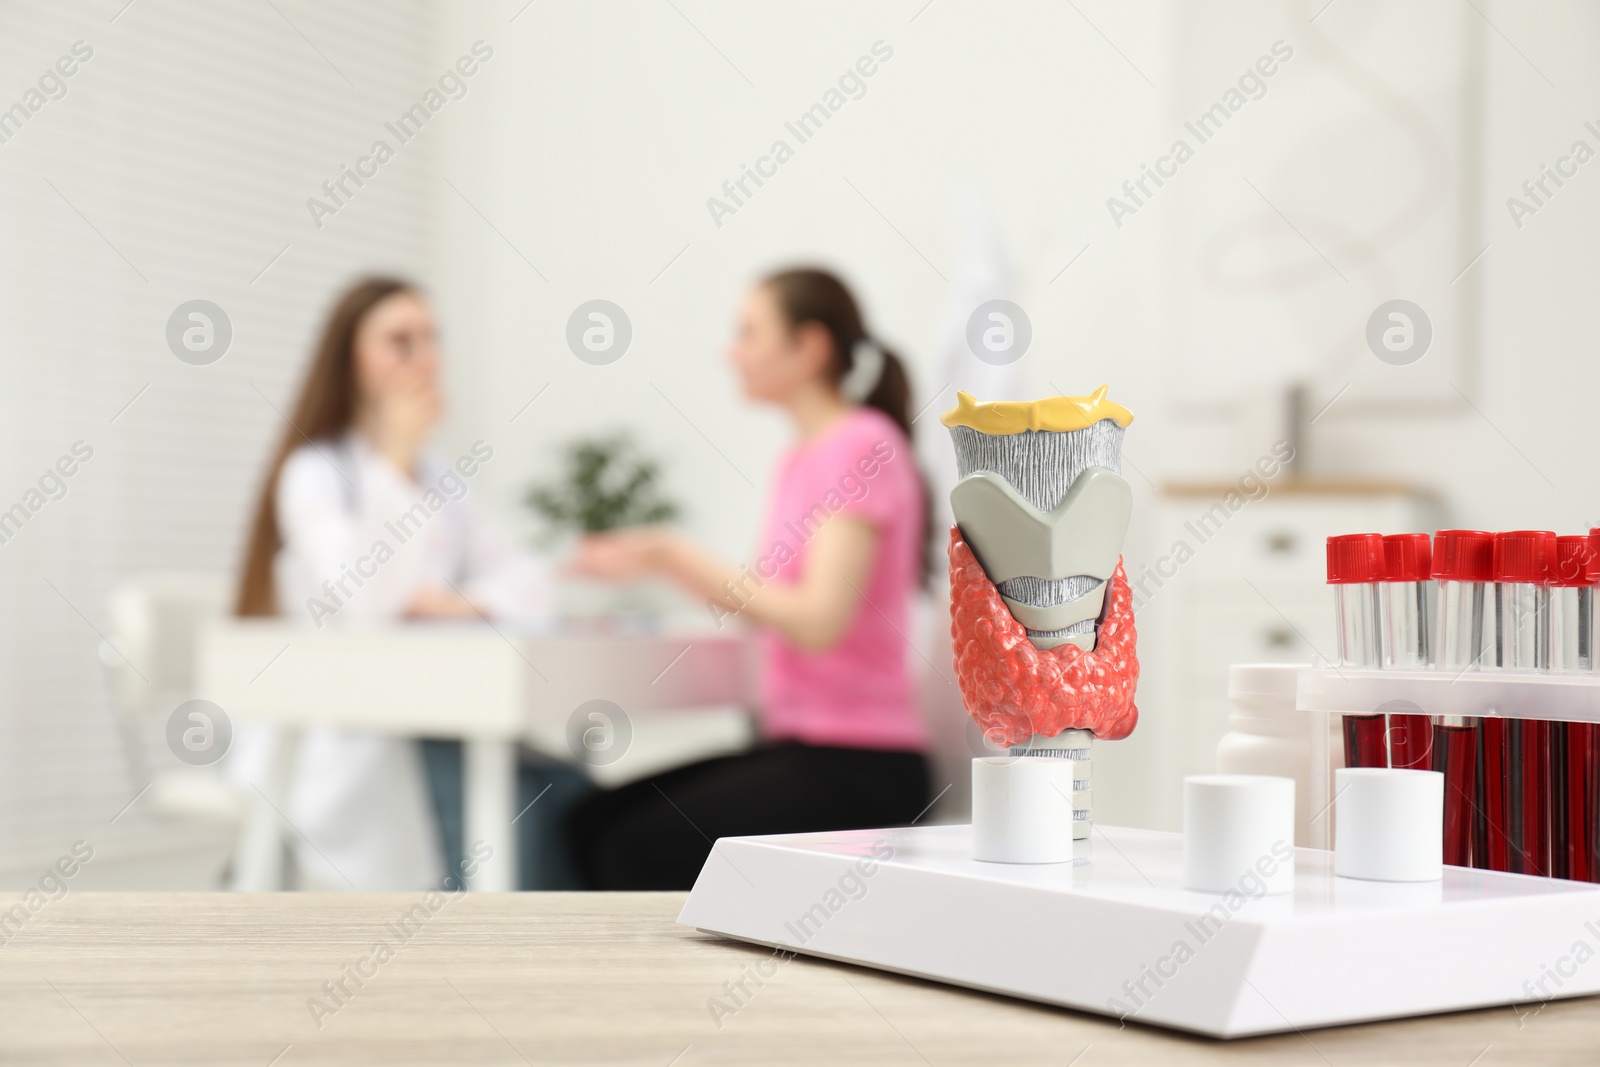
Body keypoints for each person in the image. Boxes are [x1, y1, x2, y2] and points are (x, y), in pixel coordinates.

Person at [569, 267, 932, 889]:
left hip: (860, 763)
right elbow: (770, 605)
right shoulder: (799, 458)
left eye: (748, 333)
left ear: (809, 348)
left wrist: (674, 553)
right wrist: (659, 560)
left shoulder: (861, 445)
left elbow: (819, 621)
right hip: (797, 744)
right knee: (583, 822)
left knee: (633, 849)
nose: (730, 352)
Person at [231, 277, 552, 890]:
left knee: (546, 791)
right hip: (345, 734)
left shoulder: (442, 476)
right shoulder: (314, 474)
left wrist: (464, 602)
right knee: (507, 811)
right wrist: (396, 462)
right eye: (400, 341)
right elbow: (367, 610)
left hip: (433, 717)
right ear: (347, 357)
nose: (424, 358)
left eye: (432, 339)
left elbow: (531, 582)